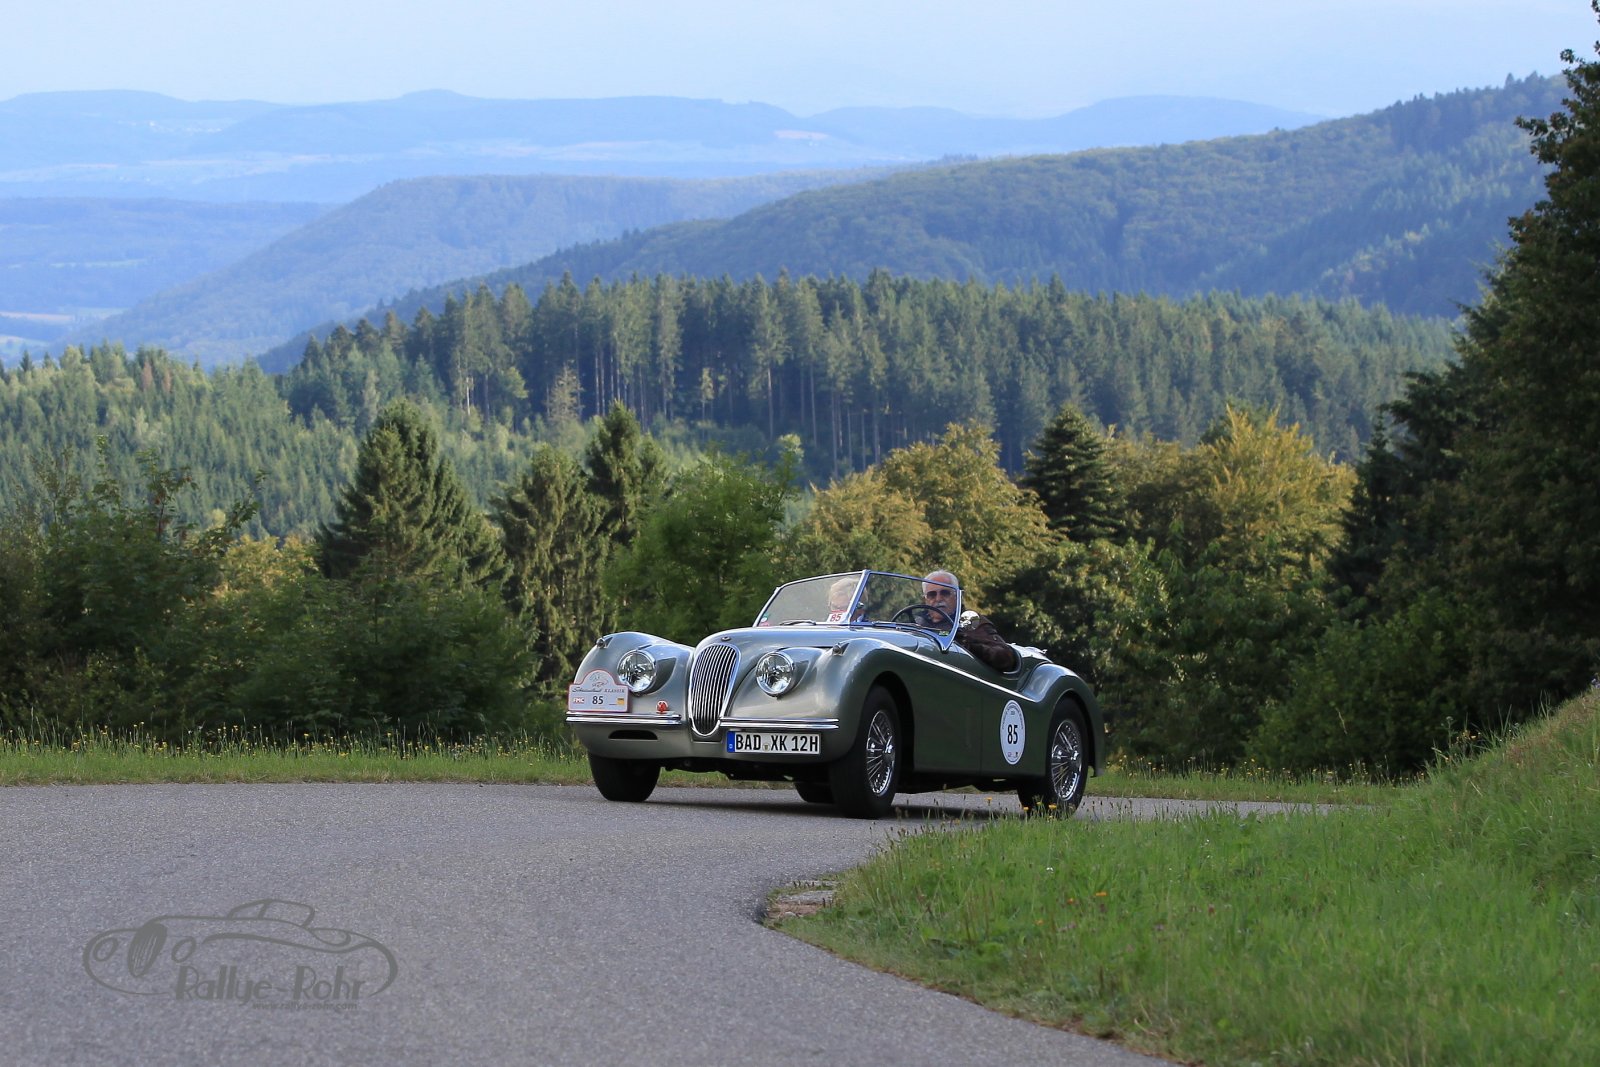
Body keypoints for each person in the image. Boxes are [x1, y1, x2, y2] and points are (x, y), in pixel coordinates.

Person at [922, 570, 1019, 673]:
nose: (938, 599)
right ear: (925, 599)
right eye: (932, 595)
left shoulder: (969, 620)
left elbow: (1006, 658)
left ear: (957, 596)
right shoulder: (916, 621)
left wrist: (968, 645)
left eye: (945, 593)